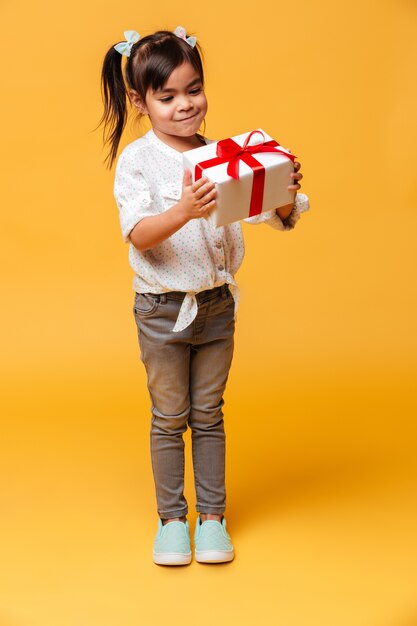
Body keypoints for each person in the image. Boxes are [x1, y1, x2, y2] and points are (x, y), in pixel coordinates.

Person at [97, 26, 310, 566]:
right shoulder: (138, 161)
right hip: (162, 307)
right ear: (140, 102)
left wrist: (283, 194)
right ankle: (171, 519)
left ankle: (212, 518)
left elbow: (267, 215)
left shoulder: (222, 155)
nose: (184, 105)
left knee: (209, 413)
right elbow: (140, 234)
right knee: (170, 416)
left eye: (193, 89)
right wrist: (183, 210)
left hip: (217, 304)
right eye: (167, 97)